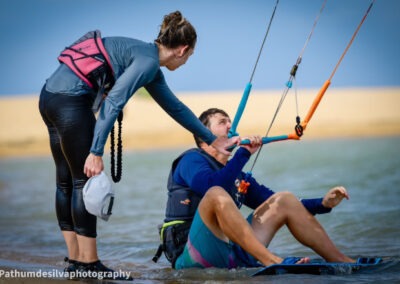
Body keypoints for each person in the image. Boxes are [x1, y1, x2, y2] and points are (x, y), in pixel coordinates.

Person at [39, 12, 240, 278]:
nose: (187, 60)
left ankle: (77, 261)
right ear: (182, 49)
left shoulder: (148, 63)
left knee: (65, 182)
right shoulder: (147, 62)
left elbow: (176, 108)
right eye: (190, 56)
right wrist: (96, 152)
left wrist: (214, 139)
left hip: (49, 97)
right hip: (72, 101)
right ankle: (89, 264)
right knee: (82, 182)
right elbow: (112, 103)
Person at [157, 108, 355, 269]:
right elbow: (213, 185)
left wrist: (322, 203)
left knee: (283, 199)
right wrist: (243, 154)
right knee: (216, 194)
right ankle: (272, 261)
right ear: (204, 135)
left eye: (230, 121)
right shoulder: (192, 159)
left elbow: (281, 203)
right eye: (222, 122)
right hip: (193, 258)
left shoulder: (235, 175)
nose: (230, 125)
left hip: (233, 254)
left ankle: (341, 261)